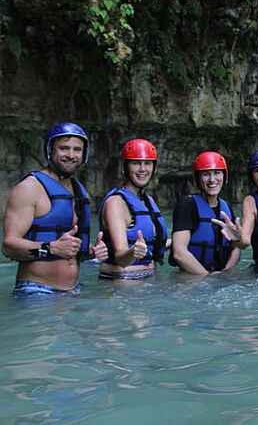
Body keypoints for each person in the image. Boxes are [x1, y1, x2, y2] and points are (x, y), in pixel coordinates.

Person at [2, 122, 108, 296]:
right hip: (37, 291)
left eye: (77, 150)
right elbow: (8, 246)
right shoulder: (29, 188)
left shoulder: (79, 190)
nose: (71, 155)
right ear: (50, 151)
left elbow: (66, 245)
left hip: (73, 290)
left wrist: (91, 252)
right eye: (64, 148)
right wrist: (51, 248)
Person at [98, 139, 168, 280]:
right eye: (136, 163)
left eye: (147, 163)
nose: (143, 169)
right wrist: (132, 252)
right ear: (126, 167)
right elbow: (121, 259)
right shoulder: (116, 203)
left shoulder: (148, 201)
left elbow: (151, 244)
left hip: (148, 280)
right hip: (124, 282)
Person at [170, 151, 242, 275]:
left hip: (220, 279)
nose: (212, 180)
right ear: (197, 179)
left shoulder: (227, 207)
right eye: (206, 174)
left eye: (217, 173)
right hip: (191, 279)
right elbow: (179, 253)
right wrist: (207, 278)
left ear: (224, 176)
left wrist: (225, 273)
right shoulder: (186, 205)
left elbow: (236, 247)